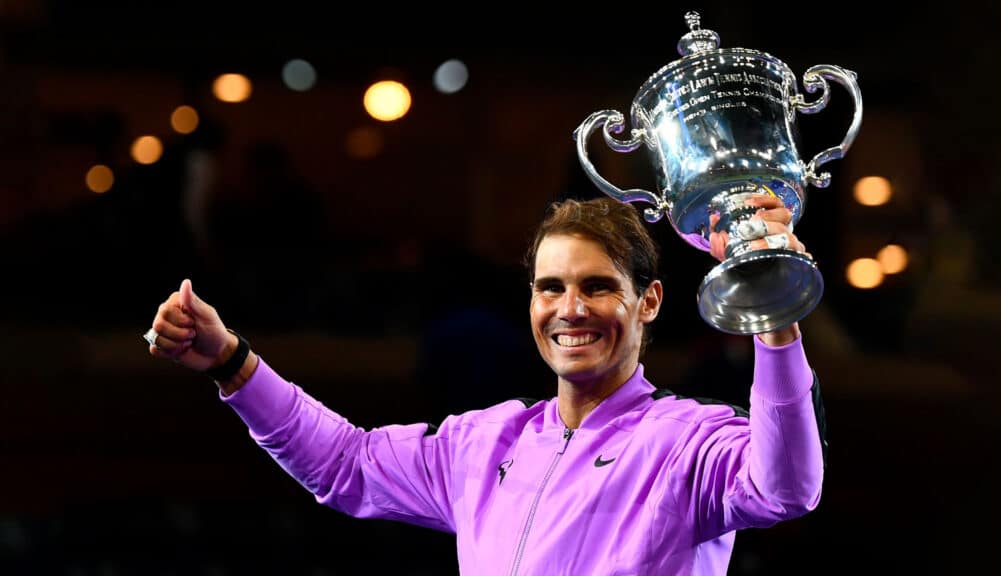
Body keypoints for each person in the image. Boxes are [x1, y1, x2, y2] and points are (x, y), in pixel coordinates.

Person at [145, 196, 826, 575]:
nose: (570, 309)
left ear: (647, 302)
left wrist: (773, 312)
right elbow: (344, 465)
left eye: (597, 287)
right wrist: (232, 362)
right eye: (550, 287)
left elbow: (785, 486)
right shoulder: (485, 442)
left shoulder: (689, 442)